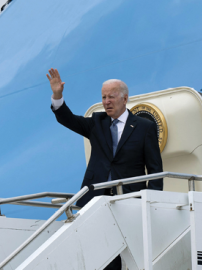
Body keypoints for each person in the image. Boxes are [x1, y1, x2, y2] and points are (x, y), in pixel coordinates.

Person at [46, 68, 163, 270]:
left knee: (127, 251)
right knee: (100, 252)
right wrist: (58, 96)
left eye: (111, 96)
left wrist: (151, 201)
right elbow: (67, 119)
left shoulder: (144, 127)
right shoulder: (97, 122)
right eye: (103, 97)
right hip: (96, 198)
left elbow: (154, 169)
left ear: (124, 98)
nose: (106, 101)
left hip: (128, 199)